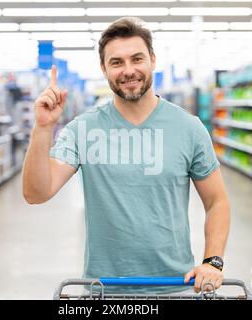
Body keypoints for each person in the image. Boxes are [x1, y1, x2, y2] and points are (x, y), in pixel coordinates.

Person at [23, 17, 230, 295]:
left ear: (153, 60)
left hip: (174, 287)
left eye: (137, 59)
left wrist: (212, 261)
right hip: (105, 290)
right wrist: (43, 128)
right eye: (117, 62)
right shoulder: (83, 129)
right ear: (104, 68)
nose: (128, 70)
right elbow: (37, 193)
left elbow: (217, 201)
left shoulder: (189, 128)